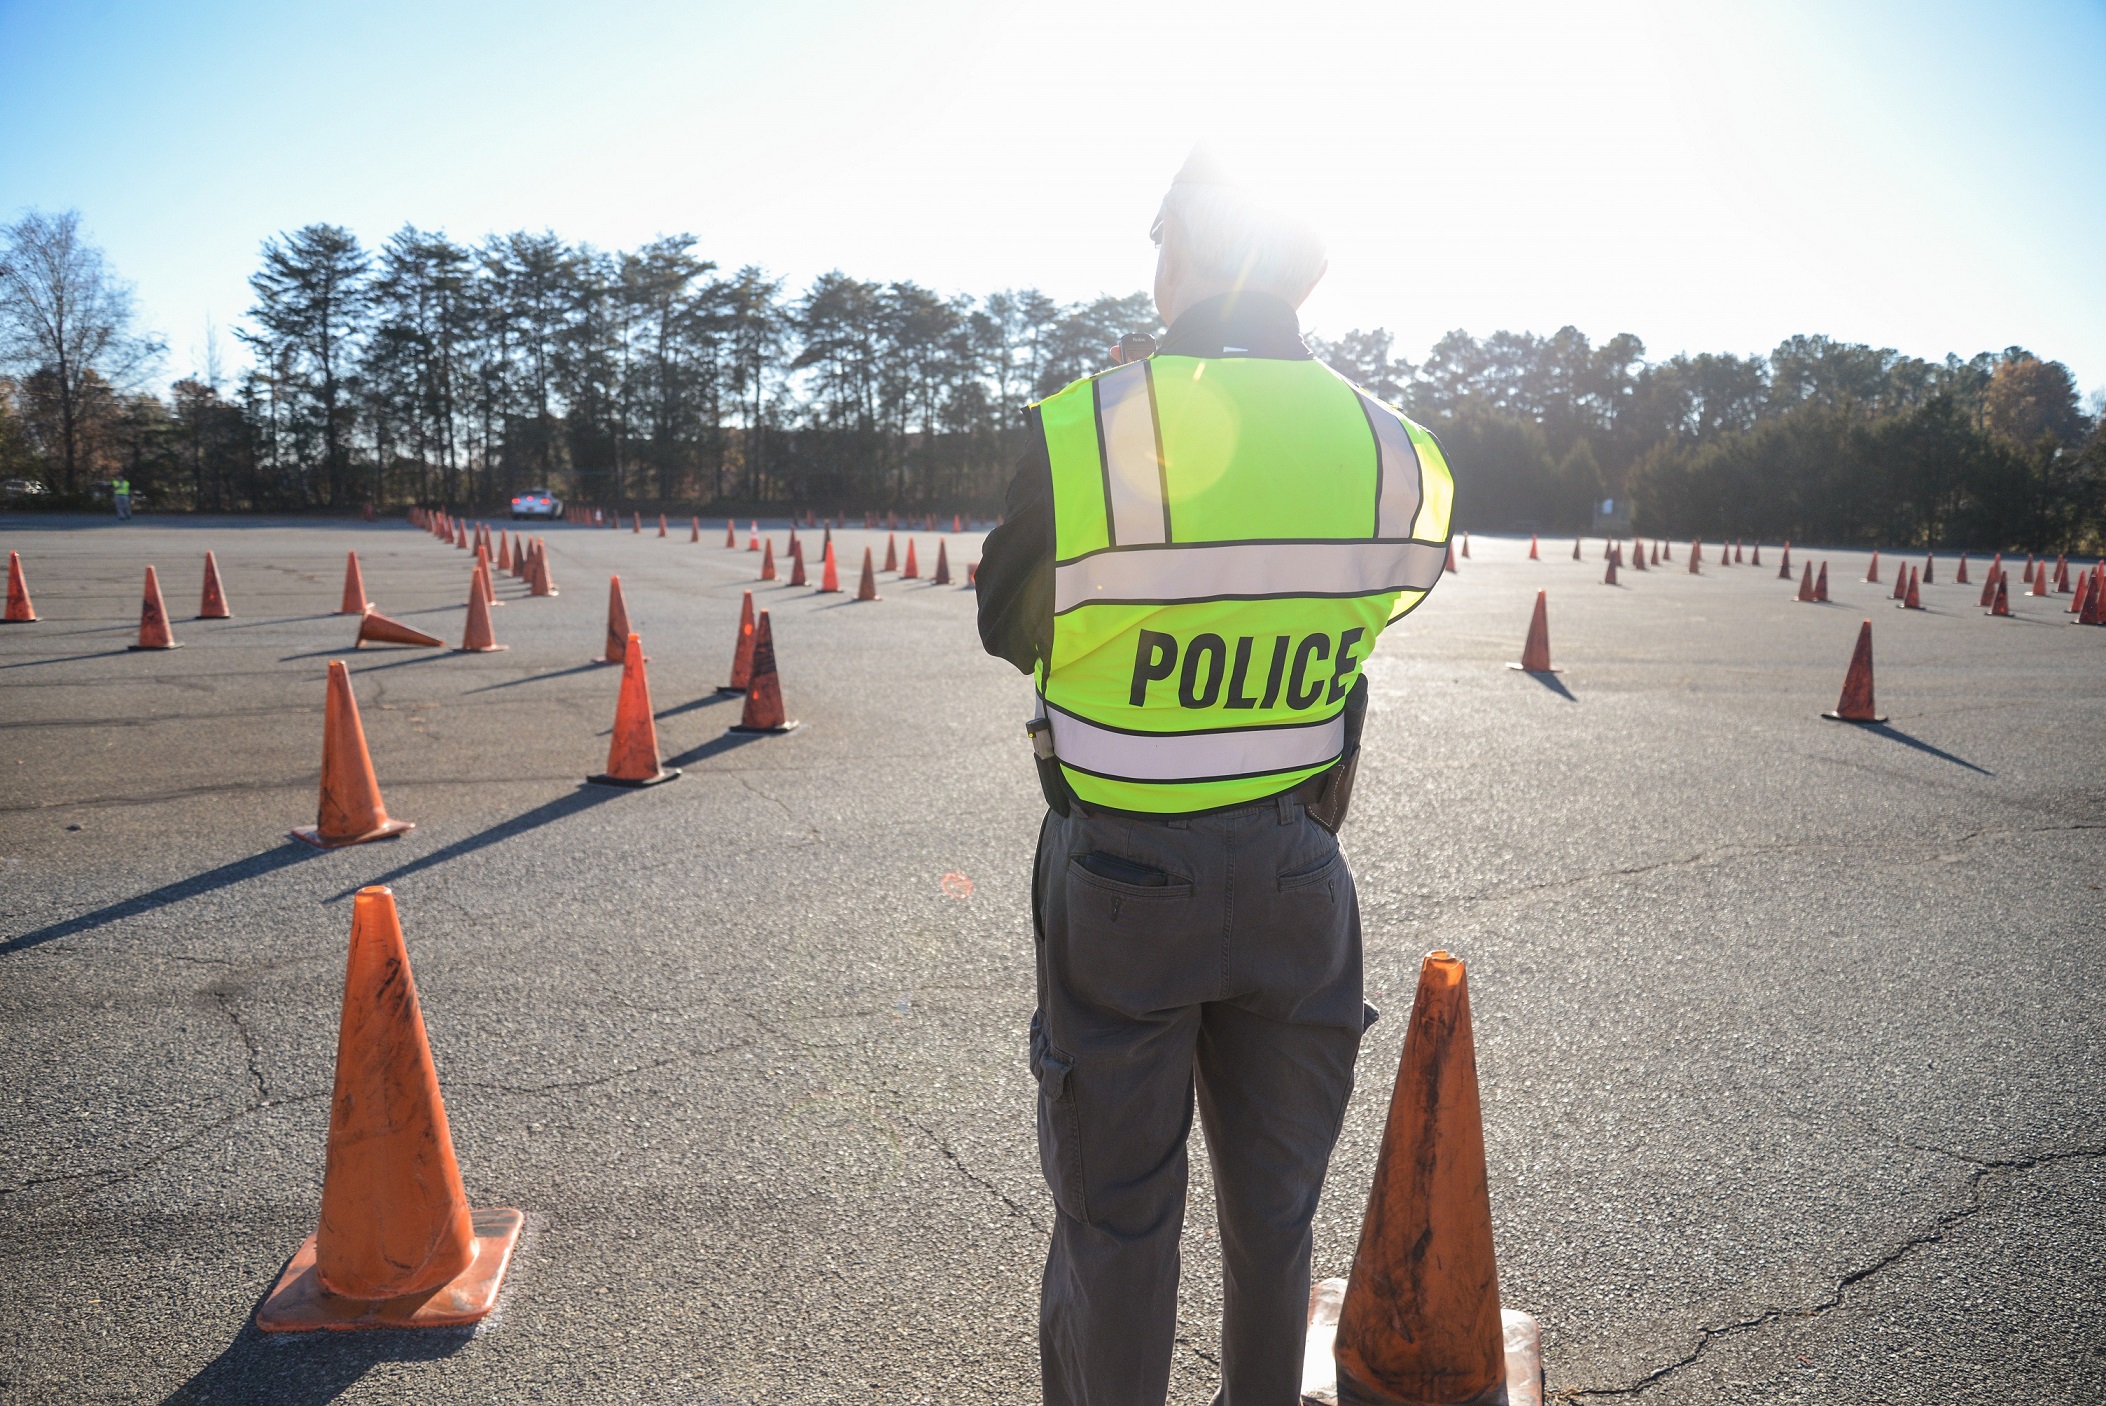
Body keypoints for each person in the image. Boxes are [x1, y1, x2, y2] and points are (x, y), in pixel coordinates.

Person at [975, 149, 1455, 1405]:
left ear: (1183, 250)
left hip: (1126, 876)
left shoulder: (1097, 426)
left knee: (1119, 1227)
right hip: (1300, 869)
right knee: (1276, 1216)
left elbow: (1009, 616)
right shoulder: (1395, 449)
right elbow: (1381, 606)